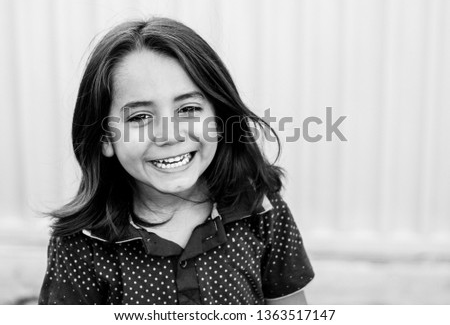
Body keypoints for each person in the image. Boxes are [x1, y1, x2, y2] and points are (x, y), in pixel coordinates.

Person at [39, 17, 314, 305]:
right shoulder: (81, 244)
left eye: (188, 109)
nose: (168, 135)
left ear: (220, 121)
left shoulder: (261, 208)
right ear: (106, 138)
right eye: (140, 117)